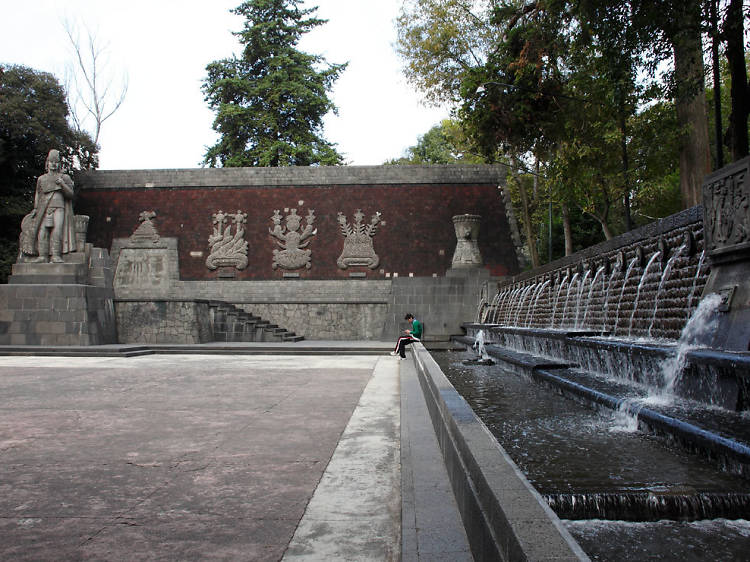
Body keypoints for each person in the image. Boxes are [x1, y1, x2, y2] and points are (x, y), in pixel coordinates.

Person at [20, 149, 76, 263]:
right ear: (47, 163)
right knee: (42, 232)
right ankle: (42, 256)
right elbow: (38, 194)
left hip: (59, 207)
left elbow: (70, 194)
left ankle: (56, 255)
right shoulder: (41, 179)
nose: (53, 164)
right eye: (51, 161)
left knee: (57, 231)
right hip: (43, 208)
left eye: (56, 161)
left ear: (59, 163)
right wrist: (35, 208)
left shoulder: (64, 178)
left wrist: (62, 184)